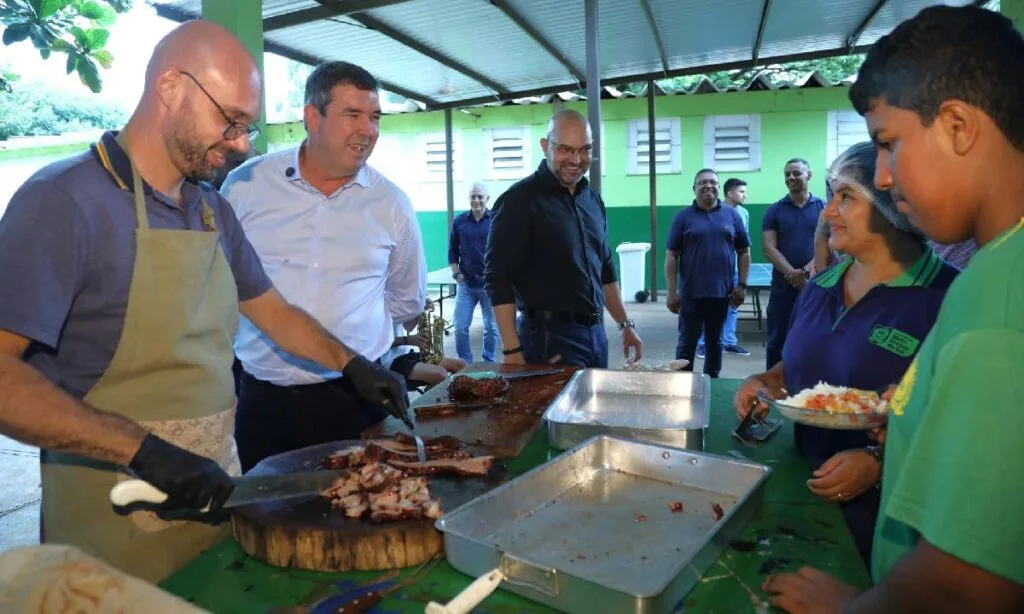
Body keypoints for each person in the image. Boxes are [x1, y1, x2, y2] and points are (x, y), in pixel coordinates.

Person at [0, 21, 407, 583]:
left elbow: (276, 314)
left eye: (247, 126)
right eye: (230, 120)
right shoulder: (63, 201)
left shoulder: (213, 210)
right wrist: (139, 448)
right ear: (171, 88)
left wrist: (354, 365)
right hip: (112, 514)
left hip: (213, 502)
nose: (240, 143)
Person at [761, 6, 1024, 613]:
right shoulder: (995, 270)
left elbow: (970, 581)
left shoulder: (998, 306)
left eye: (889, 143)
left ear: (957, 125)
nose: (882, 175)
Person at [735, 141, 958, 567]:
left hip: (894, 524)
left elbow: (964, 426)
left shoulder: (947, 297)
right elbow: (805, 367)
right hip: (802, 495)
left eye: (846, 198)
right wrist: (768, 382)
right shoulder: (820, 286)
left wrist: (880, 460)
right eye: (831, 195)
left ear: (894, 205)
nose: (826, 212)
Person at [221, 61, 426, 472]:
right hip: (264, 400)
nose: (368, 130)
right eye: (352, 115)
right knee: (262, 518)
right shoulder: (246, 187)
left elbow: (406, 303)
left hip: (358, 400)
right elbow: (221, 287)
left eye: (374, 118)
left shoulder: (392, 205)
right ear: (312, 117)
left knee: (364, 517)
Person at [484, 109, 643, 368]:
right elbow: (497, 277)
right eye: (565, 149)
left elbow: (605, 267)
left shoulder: (592, 200)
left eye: (584, 149)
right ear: (545, 146)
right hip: (547, 339)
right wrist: (511, 350)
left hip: (595, 335)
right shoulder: (519, 201)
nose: (576, 159)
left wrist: (626, 325)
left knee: (593, 408)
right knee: (550, 409)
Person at [665, 169, 751, 378]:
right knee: (686, 343)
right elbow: (671, 256)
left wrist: (742, 285)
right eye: (702, 182)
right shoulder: (683, 217)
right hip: (690, 295)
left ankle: (712, 384)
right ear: (694, 188)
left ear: (719, 187)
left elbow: (744, 252)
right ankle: (682, 387)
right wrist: (671, 292)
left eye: (712, 182)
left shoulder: (732, 215)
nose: (708, 186)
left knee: (715, 343)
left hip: (722, 294)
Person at [762, 158, 827, 369]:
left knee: (812, 340)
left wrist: (806, 272)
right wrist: (793, 275)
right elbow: (769, 248)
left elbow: (830, 244)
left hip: (816, 286)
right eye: (787, 174)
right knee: (776, 342)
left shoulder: (824, 209)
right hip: (783, 287)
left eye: (796, 173)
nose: (791, 178)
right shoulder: (775, 210)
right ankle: (770, 388)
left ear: (809, 175)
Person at [696, 177, 751, 358]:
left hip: (734, 270)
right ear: (730, 193)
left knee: (733, 306)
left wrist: (742, 278)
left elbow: (743, 247)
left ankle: (729, 341)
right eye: (741, 192)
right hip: (713, 272)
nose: (745, 195)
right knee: (707, 308)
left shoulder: (743, 213)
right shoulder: (716, 212)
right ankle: (703, 343)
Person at [449, 182, 498, 363]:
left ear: (487, 199)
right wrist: (456, 273)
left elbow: (504, 250)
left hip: (490, 286)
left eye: (480, 196)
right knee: (460, 327)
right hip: (466, 286)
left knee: (492, 328)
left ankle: (489, 361)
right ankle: (465, 363)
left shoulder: (496, 220)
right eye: (473, 196)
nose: (476, 200)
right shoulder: (459, 222)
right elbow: (452, 250)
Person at [383, 303, 468, 389]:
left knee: (461, 365)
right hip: (386, 362)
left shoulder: (393, 298)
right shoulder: (374, 304)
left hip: (402, 353)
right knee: (439, 374)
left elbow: (408, 327)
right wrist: (407, 340)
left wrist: (420, 307)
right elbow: (377, 345)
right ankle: (432, 399)